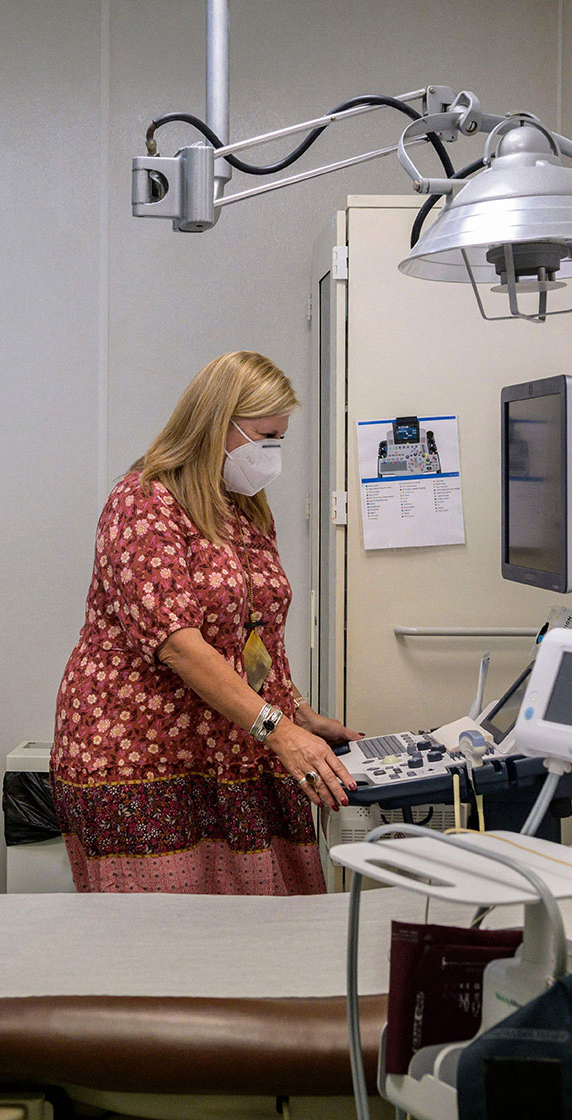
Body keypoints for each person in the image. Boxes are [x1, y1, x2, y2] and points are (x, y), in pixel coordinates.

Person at [52, 350, 362, 894]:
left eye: (280, 439)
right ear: (218, 425)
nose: (273, 454)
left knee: (256, 932)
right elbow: (177, 644)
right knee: (168, 943)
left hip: (232, 743)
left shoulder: (244, 509)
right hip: (142, 754)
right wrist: (278, 730)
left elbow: (251, 635)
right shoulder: (143, 502)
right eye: (265, 437)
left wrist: (299, 714)